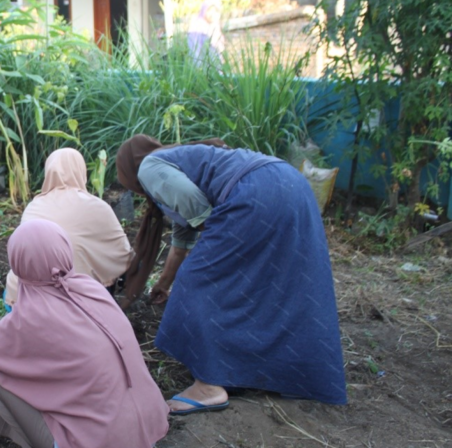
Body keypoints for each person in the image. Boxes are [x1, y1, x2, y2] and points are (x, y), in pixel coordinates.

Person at [115, 134, 347, 415]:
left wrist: (202, 263)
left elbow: (198, 211)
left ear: (129, 170)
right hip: (290, 182)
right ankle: (293, 372)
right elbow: (180, 246)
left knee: (198, 281)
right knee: (278, 283)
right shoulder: (182, 165)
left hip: (255, 191)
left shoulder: (149, 167)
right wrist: (163, 285)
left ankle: (208, 386)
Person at [0, 220, 169, 448]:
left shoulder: (25, 320)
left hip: (98, 443)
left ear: (17, 264)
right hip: (146, 428)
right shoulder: (93, 288)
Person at [4, 148, 132, 308]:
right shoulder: (96, 206)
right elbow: (123, 254)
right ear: (82, 172)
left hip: (25, 300)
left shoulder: (33, 206)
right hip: (79, 301)